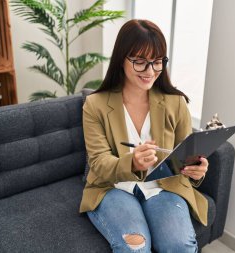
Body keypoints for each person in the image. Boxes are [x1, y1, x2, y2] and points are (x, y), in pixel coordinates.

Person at [79, 19, 209, 253]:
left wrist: (195, 169)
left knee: (180, 246)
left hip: (163, 186)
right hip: (113, 188)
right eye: (140, 62)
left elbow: (185, 155)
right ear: (121, 59)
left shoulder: (176, 102)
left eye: (157, 62)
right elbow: (98, 163)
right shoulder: (94, 105)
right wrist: (133, 162)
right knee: (135, 248)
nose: (150, 71)